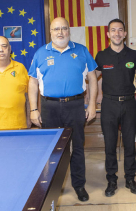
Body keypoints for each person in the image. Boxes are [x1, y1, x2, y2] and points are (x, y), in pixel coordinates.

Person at [28, 17, 98, 202]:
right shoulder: (41, 53)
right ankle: (51, 186)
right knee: (51, 149)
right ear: (50, 32)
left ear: (69, 31)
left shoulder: (81, 51)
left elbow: (92, 78)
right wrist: (34, 109)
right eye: (56, 29)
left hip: (75, 106)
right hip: (49, 106)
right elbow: (33, 83)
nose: (60, 32)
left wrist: (91, 104)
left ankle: (79, 185)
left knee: (78, 148)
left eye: (64, 28)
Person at [95, 19, 136, 197]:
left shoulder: (134, 55)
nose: (117, 33)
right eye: (113, 30)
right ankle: (111, 180)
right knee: (110, 145)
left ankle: (130, 179)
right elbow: (93, 77)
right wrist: (96, 97)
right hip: (109, 105)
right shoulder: (101, 56)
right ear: (108, 34)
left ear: (125, 34)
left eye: (120, 30)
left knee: (130, 144)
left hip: (129, 103)